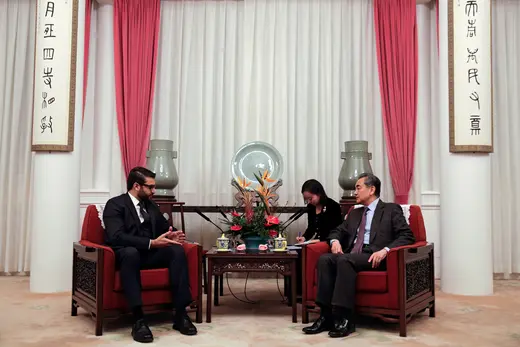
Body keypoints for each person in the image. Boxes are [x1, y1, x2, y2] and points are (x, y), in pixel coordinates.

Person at [302, 173, 415, 338]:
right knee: (325, 259)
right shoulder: (355, 213)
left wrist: (386, 250)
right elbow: (337, 231)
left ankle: (345, 318)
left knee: (344, 259)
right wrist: (334, 241)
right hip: (352, 255)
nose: (355, 192)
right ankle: (326, 316)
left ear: (371, 189)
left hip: (374, 256)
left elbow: (407, 235)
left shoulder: (390, 210)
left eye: (358, 187)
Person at [103, 167, 197, 343]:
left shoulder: (151, 205)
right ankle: (138, 320)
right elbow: (116, 236)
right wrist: (150, 243)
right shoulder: (115, 204)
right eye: (150, 187)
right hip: (127, 256)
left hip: (149, 254)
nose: (154, 191)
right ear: (137, 186)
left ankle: (180, 314)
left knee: (176, 250)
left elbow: (164, 227)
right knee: (130, 253)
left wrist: (173, 234)